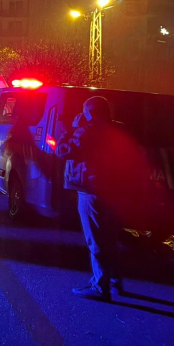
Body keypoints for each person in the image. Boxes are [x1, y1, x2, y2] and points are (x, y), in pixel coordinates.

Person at [56, 96, 142, 302]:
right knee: (110, 237)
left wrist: (72, 128)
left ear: (90, 113)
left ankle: (99, 286)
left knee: (95, 239)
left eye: (85, 111)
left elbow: (62, 151)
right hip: (114, 190)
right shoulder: (119, 129)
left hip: (91, 191)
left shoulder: (86, 131)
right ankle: (114, 282)